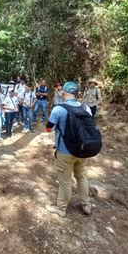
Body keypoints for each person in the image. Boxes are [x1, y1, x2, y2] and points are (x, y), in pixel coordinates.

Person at [45, 81, 92, 218]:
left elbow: (48, 129)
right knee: (81, 176)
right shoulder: (86, 107)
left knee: (65, 181)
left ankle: (61, 209)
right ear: (77, 94)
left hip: (65, 151)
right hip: (83, 150)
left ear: (63, 92)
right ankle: (86, 205)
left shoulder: (59, 109)